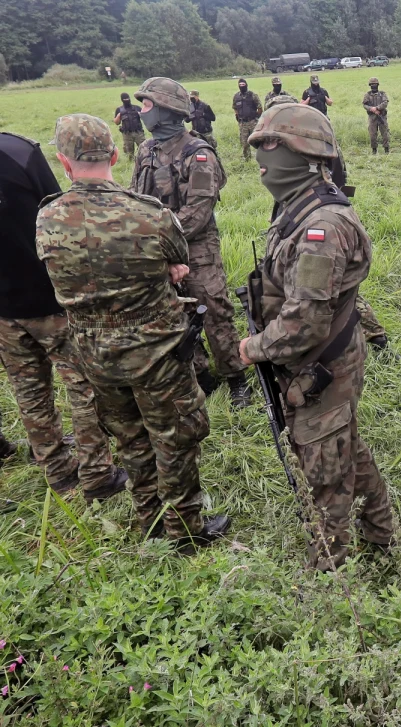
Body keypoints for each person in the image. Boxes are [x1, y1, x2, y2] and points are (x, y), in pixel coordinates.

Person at [38, 114, 230, 551]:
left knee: (129, 438)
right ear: (115, 155)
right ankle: (185, 529)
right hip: (156, 351)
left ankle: (149, 519)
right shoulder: (149, 214)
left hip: (94, 354)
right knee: (174, 437)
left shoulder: (47, 217)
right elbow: (180, 262)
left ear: (64, 163)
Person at [242, 103, 396, 570]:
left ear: (305, 154)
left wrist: (252, 347)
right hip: (311, 355)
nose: (261, 157)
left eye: (271, 145)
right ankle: (381, 524)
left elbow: (305, 320)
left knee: (323, 462)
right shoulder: (299, 205)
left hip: (320, 358)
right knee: (340, 438)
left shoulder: (320, 228)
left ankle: (330, 558)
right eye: (259, 145)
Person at [0, 131, 127, 501]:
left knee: (29, 391)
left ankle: (57, 471)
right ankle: (97, 474)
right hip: (50, 297)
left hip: (4, 309)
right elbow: (57, 211)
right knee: (83, 386)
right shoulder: (17, 152)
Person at [132, 76, 251, 407]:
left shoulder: (197, 153)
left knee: (213, 310)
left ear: (166, 110)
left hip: (197, 250)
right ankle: (201, 375)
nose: (142, 111)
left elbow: (197, 215)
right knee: (178, 313)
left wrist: (162, 245)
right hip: (160, 250)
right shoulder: (145, 150)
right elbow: (135, 201)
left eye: (147, 105)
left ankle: (235, 376)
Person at [263, 93, 390, 351]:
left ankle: (373, 333)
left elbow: (334, 177)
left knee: (331, 286)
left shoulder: (314, 147)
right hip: (304, 204)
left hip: (316, 206)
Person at [231, 78, 262, 161]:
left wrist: (256, 118)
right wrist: (237, 115)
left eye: (243, 85)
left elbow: (259, 107)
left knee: (258, 141)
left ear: (246, 85)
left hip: (253, 122)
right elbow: (235, 107)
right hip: (242, 123)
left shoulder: (252, 95)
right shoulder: (236, 96)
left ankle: (262, 158)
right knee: (244, 143)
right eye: (240, 85)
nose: (242, 86)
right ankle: (247, 159)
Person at [363, 77, 389, 155]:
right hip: (372, 117)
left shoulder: (382, 94)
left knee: (385, 134)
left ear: (377, 85)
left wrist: (377, 108)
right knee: (372, 135)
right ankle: (374, 150)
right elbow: (364, 105)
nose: (373, 86)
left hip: (382, 116)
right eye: (372, 84)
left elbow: (385, 103)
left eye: (375, 84)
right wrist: (372, 109)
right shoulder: (367, 95)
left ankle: (386, 149)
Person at [113, 92, 145, 157]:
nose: (126, 100)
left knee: (144, 149)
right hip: (127, 134)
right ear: (122, 100)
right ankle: (131, 164)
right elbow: (116, 122)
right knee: (129, 153)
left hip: (138, 133)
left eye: (127, 98)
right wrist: (119, 116)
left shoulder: (137, 108)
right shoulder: (119, 110)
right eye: (125, 99)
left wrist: (141, 115)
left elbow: (146, 118)